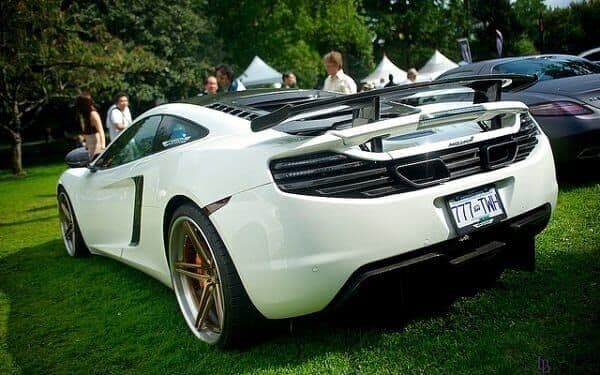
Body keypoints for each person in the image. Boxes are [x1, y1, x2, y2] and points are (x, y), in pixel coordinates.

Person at [75, 93, 105, 160]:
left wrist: (103, 146)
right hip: (90, 147)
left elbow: (101, 130)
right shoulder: (85, 115)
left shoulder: (93, 114)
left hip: (96, 146)